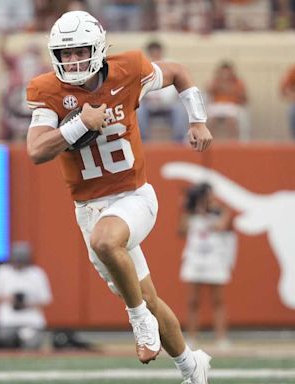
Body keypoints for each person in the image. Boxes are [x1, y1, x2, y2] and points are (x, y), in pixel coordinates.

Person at [25, 11, 213, 384]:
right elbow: (36, 150)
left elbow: (177, 72)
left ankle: (138, 320)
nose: (73, 61)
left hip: (134, 196)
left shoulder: (127, 70)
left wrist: (197, 119)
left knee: (106, 242)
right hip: (89, 208)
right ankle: (193, 369)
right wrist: (80, 123)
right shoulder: (48, 91)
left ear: (96, 49)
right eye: (65, 54)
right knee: (151, 299)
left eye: (80, 52)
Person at [179, 183, 237, 348]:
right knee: (193, 301)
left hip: (215, 259)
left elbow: (221, 226)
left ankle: (221, 338)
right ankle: (191, 338)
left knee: (218, 301)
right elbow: (182, 230)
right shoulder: (191, 213)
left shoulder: (221, 211)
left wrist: (208, 210)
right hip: (195, 258)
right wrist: (190, 208)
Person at [0, 242, 52, 350]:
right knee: (1, 342)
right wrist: (9, 299)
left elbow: (46, 300)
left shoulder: (37, 274)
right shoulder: (2, 272)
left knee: (31, 343)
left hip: (31, 322)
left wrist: (27, 303)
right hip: (7, 322)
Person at [0, 32, 48, 141]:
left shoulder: (44, 68)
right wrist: (3, 39)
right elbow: (2, 54)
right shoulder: (16, 61)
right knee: (5, 117)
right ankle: (4, 144)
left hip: (35, 106)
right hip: (13, 101)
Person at [136, 40, 189, 142]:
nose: (155, 54)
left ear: (161, 52)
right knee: (138, 111)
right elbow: (138, 87)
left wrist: (163, 98)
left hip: (168, 104)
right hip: (148, 104)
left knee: (179, 109)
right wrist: (149, 97)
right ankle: (143, 141)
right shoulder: (142, 67)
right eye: (153, 52)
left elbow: (174, 88)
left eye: (157, 52)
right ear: (149, 53)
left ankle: (179, 140)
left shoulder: (171, 66)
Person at [206, 61, 249, 141]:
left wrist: (231, 89)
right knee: (212, 120)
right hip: (217, 106)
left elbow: (245, 98)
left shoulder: (238, 82)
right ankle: (210, 141)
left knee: (231, 120)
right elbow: (208, 91)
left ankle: (232, 142)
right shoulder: (215, 81)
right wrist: (220, 85)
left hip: (232, 106)